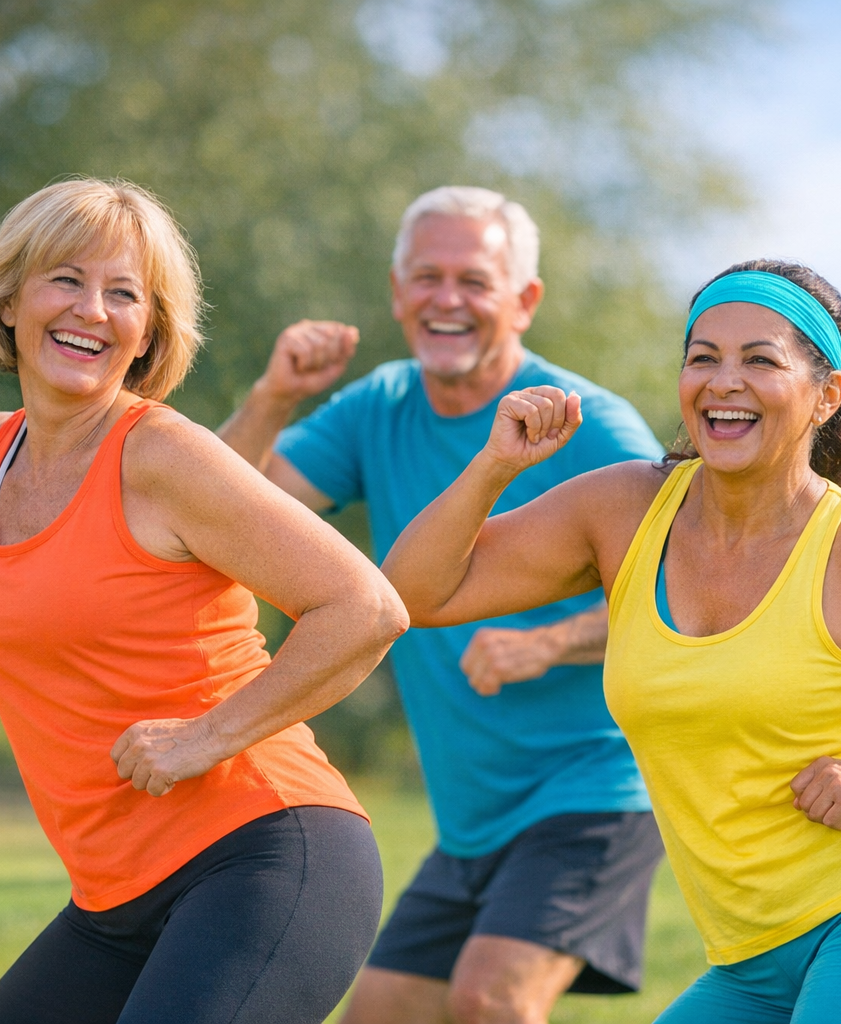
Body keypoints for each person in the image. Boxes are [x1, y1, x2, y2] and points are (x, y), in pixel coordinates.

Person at [379, 257, 841, 1022]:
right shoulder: (624, 509)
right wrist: (495, 466)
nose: (724, 380)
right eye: (703, 357)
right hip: (751, 958)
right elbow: (416, 593)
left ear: (827, 396)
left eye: (760, 360)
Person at [0, 178, 408, 1024]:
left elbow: (365, 608)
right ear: (9, 302)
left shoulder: (164, 458)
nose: (92, 310)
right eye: (66, 279)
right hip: (114, 901)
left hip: (266, 856)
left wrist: (209, 737)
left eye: (124, 294)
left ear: (149, 332)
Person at [217, 186, 666, 1024]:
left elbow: (687, 593)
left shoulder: (592, 427)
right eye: (427, 277)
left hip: (595, 789)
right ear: (397, 294)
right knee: (377, 1017)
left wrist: (552, 641)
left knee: (491, 1002)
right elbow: (223, 515)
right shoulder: (377, 407)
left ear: (524, 301)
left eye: (474, 279)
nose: (446, 299)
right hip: (471, 814)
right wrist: (274, 397)